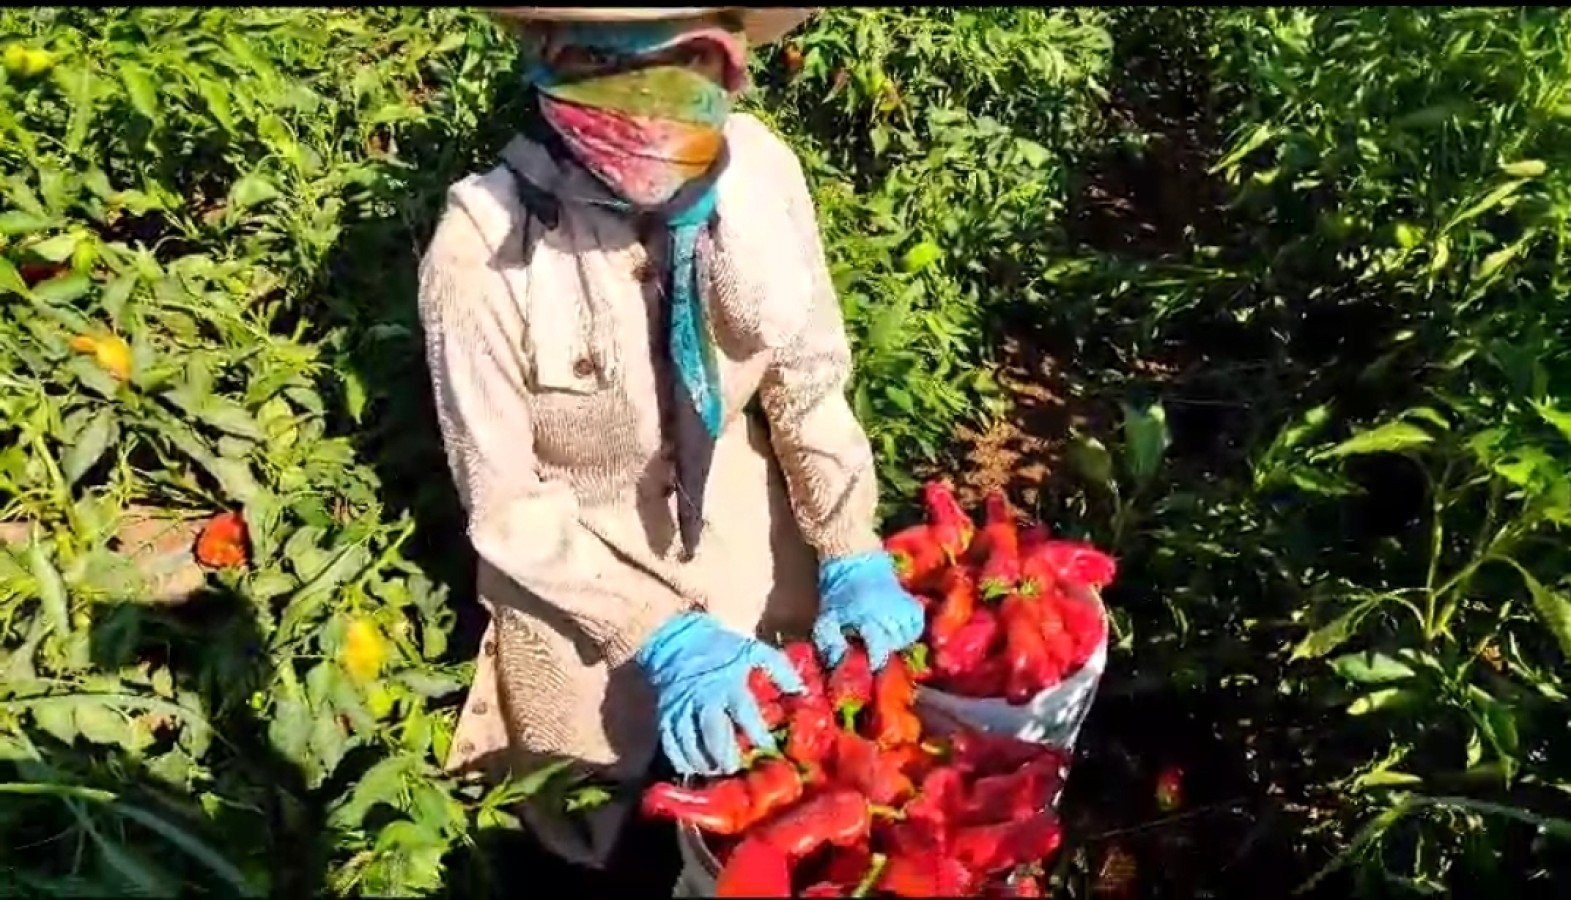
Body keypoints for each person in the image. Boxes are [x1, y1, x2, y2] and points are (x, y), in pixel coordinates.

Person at [416, 5, 925, 868]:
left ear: (732, 61)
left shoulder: (762, 173)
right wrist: (659, 633)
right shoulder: (481, 253)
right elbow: (507, 508)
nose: (652, 107)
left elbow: (806, 375)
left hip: (747, 551)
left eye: (687, 62)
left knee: (779, 811)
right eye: (611, 71)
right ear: (546, 61)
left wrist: (846, 545)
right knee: (603, 832)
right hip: (579, 597)